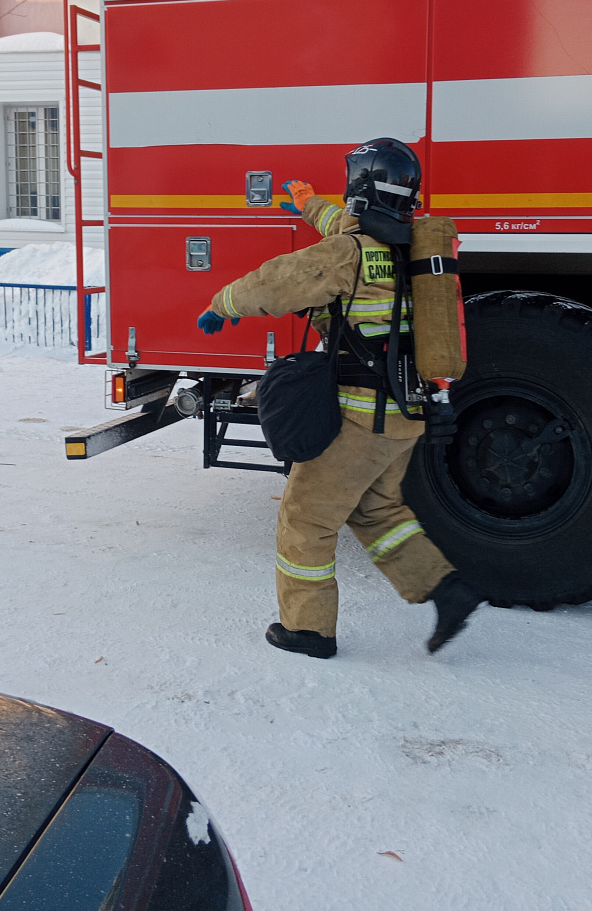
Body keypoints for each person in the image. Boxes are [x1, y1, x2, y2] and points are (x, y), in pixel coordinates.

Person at [196, 138, 481, 658]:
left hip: (361, 418)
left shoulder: (350, 253)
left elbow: (279, 282)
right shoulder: (409, 247)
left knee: (306, 519)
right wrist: (308, 203)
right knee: (378, 511)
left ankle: (306, 631)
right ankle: (449, 590)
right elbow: (342, 228)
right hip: (404, 415)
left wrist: (224, 303)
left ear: (361, 188)